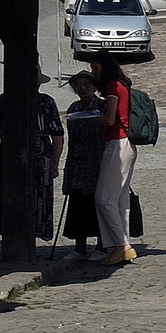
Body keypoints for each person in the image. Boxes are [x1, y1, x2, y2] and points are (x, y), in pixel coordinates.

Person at [0, 71, 63, 240]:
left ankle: (32, 233)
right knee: (10, 195)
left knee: (40, 196)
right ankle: (13, 235)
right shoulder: (5, 100)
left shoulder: (46, 102)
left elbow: (57, 134)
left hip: (39, 156)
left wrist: (55, 163)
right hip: (10, 156)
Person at [92, 52, 137, 267]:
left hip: (117, 142)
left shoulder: (112, 86)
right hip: (128, 142)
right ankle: (123, 242)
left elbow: (110, 120)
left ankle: (121, 245)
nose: (93, 73)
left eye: (95, 68)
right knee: (120, 199)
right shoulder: (122, 84)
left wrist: (90, 120)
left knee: (104, 198)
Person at [62, 70, 107, 255]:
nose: (83, 88)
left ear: (94, 86)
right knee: (78, 204)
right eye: (78, 85)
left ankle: (101, 244)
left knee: (98, 203)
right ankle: (79, 246)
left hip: (97, 162)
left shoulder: (103, 106)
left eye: (86, 84)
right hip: (78, 164)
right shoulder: (73, 108)